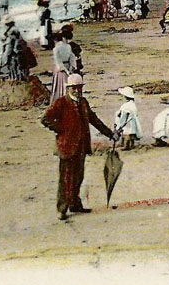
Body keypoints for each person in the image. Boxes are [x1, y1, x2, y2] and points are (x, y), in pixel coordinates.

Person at [41, 73, 114, 220]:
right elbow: (45, 119)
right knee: (65, 179)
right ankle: (62, 209)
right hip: (66, 148)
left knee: (78, 177)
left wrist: (110, 134)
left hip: (81, 147)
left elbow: (94, 120)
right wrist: (61, 130)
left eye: (79, 88)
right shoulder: (61, 102)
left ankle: (75, 205)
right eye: (74, 88)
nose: (77, 90)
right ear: (69, 88)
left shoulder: (83, 102)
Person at [50, 28, 77, 103]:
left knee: (62, 85)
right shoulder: (64, 47)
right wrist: (69, 69)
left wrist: (68, 69)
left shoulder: (60, 47)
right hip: (64, 67)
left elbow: (70, 58)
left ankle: (63, 100)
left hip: (63, 68)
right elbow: (70, 58)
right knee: (65, 84)